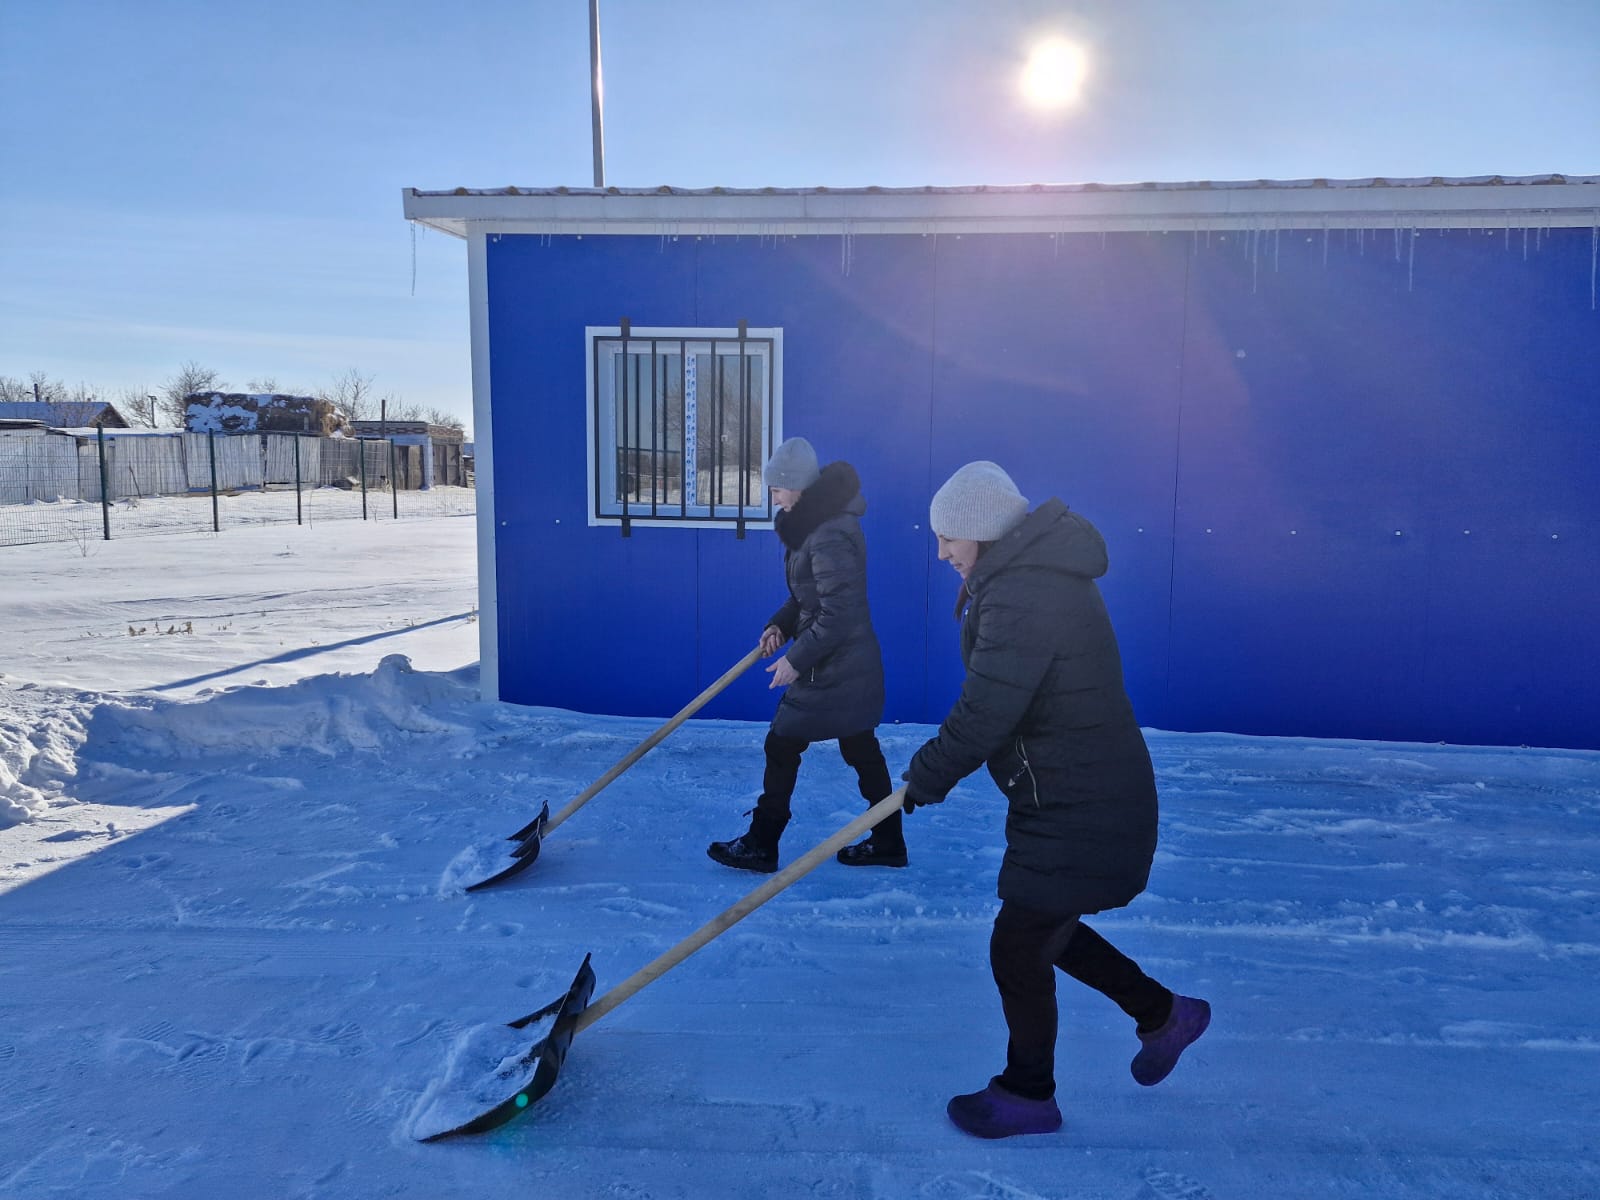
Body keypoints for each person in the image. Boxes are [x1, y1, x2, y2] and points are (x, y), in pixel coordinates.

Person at [902, 460, 1209, 1139]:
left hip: (1084, 800)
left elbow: (986, 712)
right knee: (1043, 931)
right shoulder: (1027, 580)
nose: (943, 551)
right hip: (1075, 793)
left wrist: (923, 778)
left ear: (980, 531)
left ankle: (1027, 1094)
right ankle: (1163, 1014)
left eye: (949, 536)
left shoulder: (1023, 593)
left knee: (1019, 943)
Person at [707, 436, 905, 873]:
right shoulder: (812, 527)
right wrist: (778, 625)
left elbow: (839, 612)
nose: (773, 496)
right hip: (842, 662)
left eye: (777, 488)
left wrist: (796, 660)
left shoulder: (830, 533)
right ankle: (889, 840)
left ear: (796, 486)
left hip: (837, 666)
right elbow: (807, 600)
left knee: (782, 744)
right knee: (860, 747)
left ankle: (762, 842)